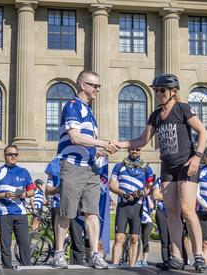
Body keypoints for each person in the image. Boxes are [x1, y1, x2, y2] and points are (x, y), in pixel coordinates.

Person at [115, 74, 207, 272]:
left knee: (187, 210)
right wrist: (119, 144)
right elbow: (141, 141)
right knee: (171, 213)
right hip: (167, 167)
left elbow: (203, 131)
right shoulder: (156, 115)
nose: (158, 93)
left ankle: (198, 255)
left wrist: (197, 156)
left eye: (162, 90)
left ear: (173, 91)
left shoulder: (182, 109)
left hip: (186, 164)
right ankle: (176, 257)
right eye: (156, 90)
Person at [53, 70, 117, 269]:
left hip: (90, 169)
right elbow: (75, 137)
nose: (97, 89)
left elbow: (85, 143)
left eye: (98, 86)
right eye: (94, 85)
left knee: (92, 212)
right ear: (82, 85)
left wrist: (98, 151)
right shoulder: (73, 106)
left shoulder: (89, 111)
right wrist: (104, 142)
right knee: (66, 212)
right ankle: (58, 253)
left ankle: (95, 254)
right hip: (72, 166)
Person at [0, 145, 36, 269]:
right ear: (5, 155)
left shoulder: (23, 171)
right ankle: (8, 270)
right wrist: (4, 195)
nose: (13, 156)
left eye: (16, 154)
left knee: (24, 244)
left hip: (20, 213)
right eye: (10, 154)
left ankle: (27, 270)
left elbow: (31, 191)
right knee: (5, 245)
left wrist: (24, 194)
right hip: (3, 214)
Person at [109, 148, 154, 267]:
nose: (135, 151)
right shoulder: (119, 166)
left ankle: (132, 267)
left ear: (140, 151)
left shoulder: (146, 168)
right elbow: (112, 184)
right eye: (132, 149)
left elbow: (151, 187)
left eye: (137, 149)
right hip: (123, 206)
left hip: (137, 207)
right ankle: (114, 266)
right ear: (128, 150)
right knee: (119, 238)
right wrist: (122, 193)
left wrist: (142, 193)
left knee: (134, 238)